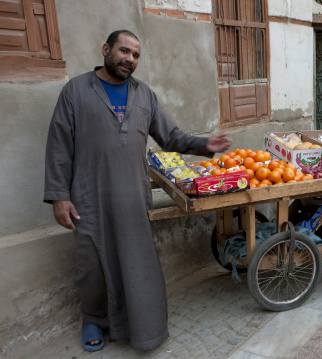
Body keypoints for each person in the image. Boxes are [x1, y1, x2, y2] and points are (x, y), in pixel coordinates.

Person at [44, 30, 232, 352]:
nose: (129, 59)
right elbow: (59, 147)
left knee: (137, 263)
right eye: (124, 51)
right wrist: (60, 196)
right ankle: (93, 318)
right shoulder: (75, 90)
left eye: (135, 55)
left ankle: (144, 329)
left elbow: (170, 136)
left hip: (132, 194)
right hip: (88, 196)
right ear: (106, 50)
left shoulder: (144, 94)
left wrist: (204, 144)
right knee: (92, 264)